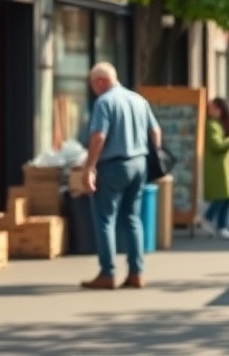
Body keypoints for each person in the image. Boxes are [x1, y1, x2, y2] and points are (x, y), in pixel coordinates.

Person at [80, 62, 161, 290]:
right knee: (133, 218)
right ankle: (136, 272)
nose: (93, 89)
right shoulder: (138, 99)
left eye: (92, 84)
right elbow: (155, 131)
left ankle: (107, 273)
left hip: (113, 165)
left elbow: (99, 137)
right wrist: (152, 158)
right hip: (139, 163)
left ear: (101, 81)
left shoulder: (104, 102)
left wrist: (89, 168)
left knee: (105, 219)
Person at [200, 97, 229, 238]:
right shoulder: (212, 125)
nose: (211, 110)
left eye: (214, 108)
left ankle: (220, 225)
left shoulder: (222, 122)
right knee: (221, 196)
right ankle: (212, 220)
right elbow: (216, 145)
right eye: (210, 108)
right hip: (218, 165)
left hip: (228, 163)